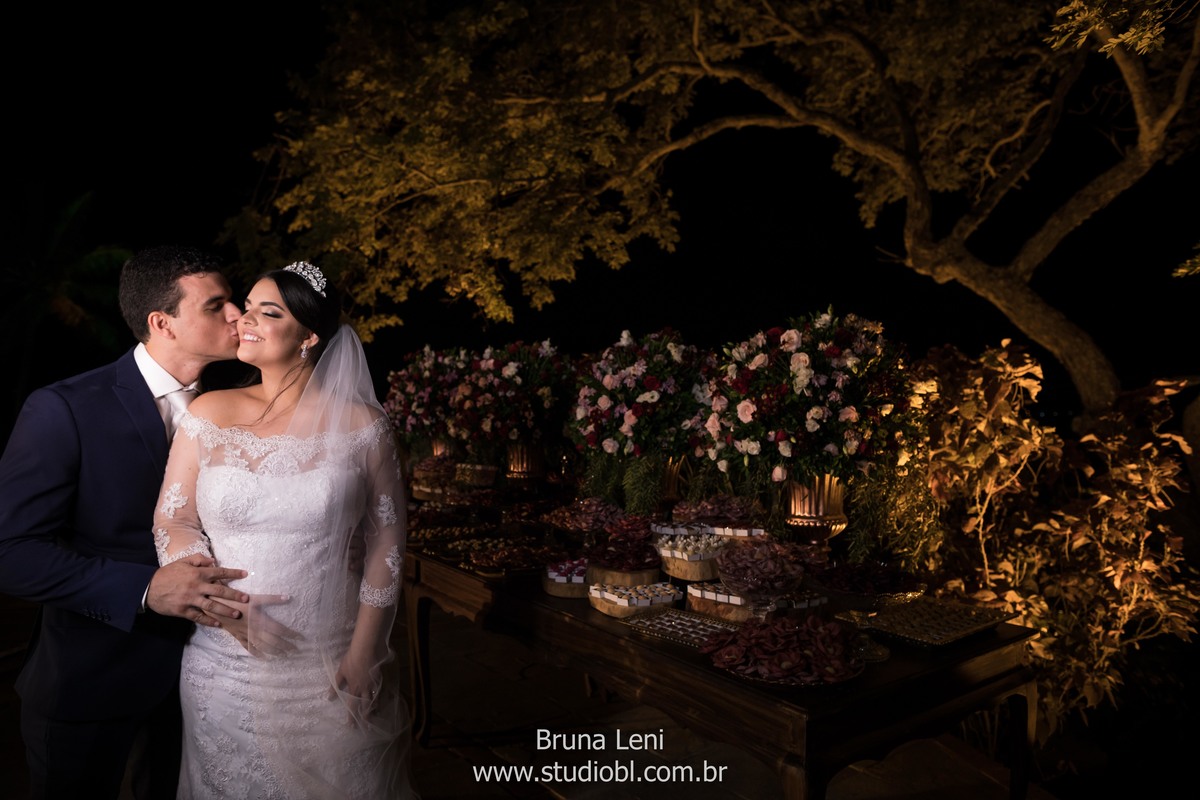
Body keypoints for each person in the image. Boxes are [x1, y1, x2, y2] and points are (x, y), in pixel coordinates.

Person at [152, 260, 414, 798]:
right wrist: (216, 605)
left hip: (329, 661)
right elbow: (174, 518)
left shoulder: (363, 425)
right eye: (246, 308)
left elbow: (387, 539)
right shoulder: (208, 411)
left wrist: (366, 651)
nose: (243, 320)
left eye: (266, 312)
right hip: (226, 666)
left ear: (309, 336)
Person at [0, 245, 253, 799]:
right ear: (162, 323)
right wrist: (143, 589)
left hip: (206, 687)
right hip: (90, 683)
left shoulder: (242, 408)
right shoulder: (64, 408)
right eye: (216, 305)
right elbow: (13, 553)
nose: (238, 314)